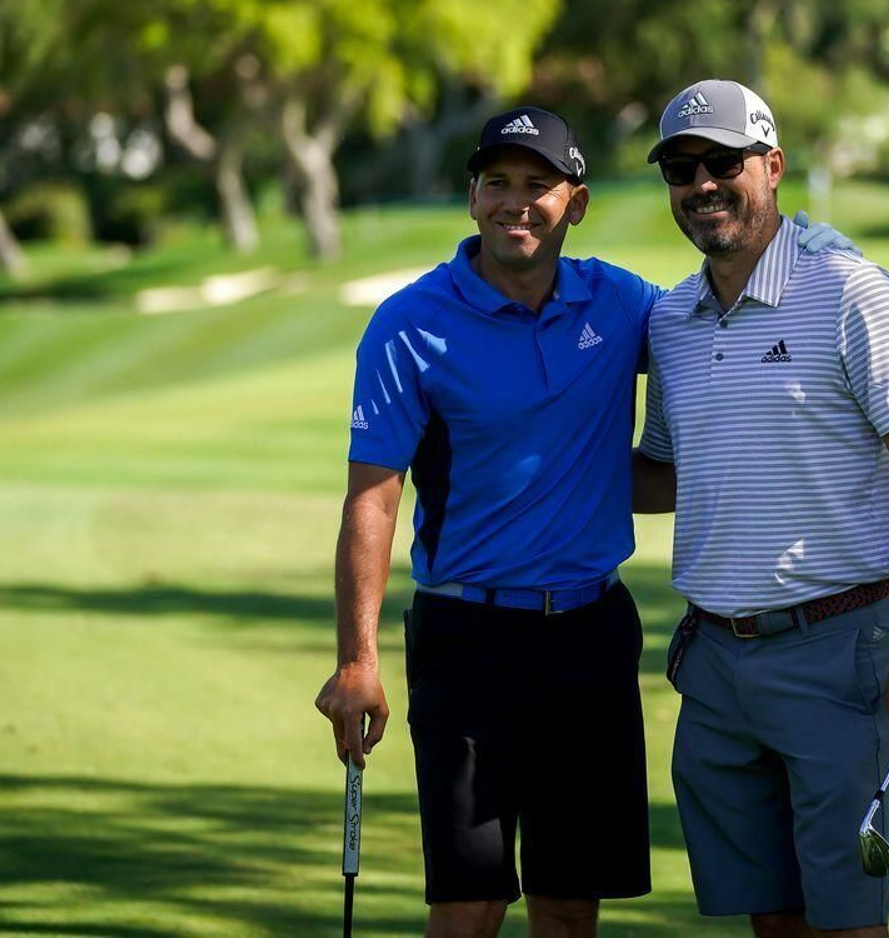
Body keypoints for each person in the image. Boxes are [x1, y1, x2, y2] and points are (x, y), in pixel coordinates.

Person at [314, 106, 851, 938]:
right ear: (472, 197)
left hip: (591, 636)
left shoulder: (627, 306)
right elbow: (373, 495)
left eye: (538, 186)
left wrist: (824, 257)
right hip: (467, 635)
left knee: (570, 904)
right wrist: (357, 660)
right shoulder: (410, 324)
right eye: (497, 184)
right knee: (468, 903)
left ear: (579, 201)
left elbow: (731, 323)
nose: (515, 204)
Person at [632, 79, 889, 936]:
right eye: (680, 168)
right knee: (768, 922)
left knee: (847, 922)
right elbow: (667, 474)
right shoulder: (671, 319)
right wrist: (507, 462)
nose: (701, 183)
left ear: (772, 167)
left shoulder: (851, 291)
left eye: (722, 163)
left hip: (835, 652)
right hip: (713, 664)